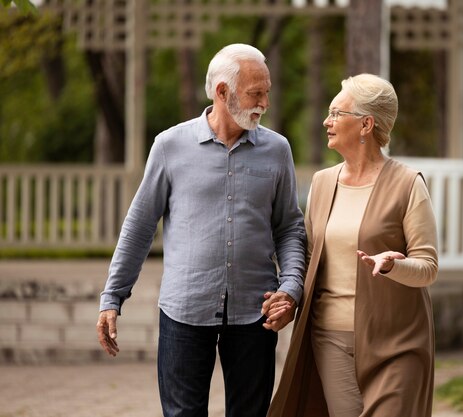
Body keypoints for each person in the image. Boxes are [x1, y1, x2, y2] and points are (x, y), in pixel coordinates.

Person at [96, 43, 306, 417]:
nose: (265, 103)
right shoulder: (169, 146)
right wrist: (113, 297)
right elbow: (140, 226)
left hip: (255, 312)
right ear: (222, 92)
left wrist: (290, 289)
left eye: (266, 92)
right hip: (184, 311)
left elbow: (290, 227)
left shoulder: (277, 150)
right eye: (255, 93)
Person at [267, 73, 439, 417]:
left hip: (397, 343)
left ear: (366, 124)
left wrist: (393, 265)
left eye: (336, 113)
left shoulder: (408, 185)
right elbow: (310, 258)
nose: (326, 121)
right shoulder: (322, 183)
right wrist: (289, 296)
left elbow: (428, 267)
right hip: (329, 338)